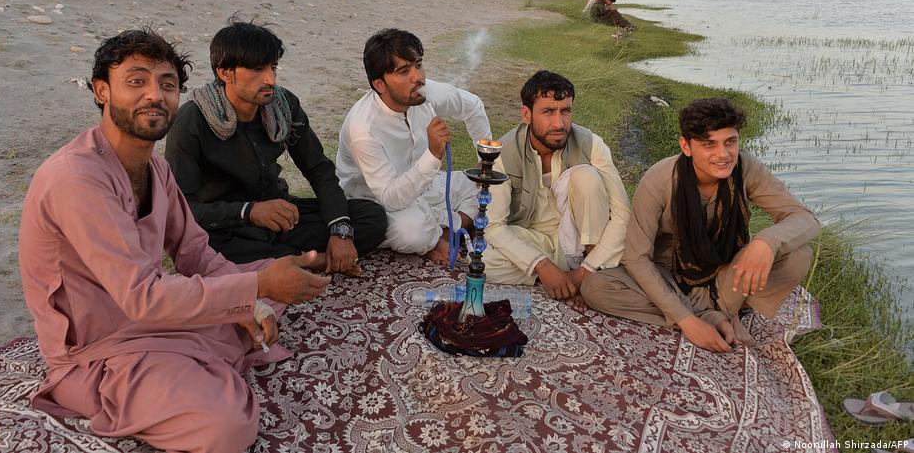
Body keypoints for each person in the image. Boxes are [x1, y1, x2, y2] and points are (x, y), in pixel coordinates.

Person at [19, 29, 333, 452]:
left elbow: (194, 251)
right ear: (101, 91)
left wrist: (252, 301)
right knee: (225, 427)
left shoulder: (156, 169)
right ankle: (186, 376)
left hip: (153, 320)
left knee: (263, 289)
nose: (155, 95)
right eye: (136, 81)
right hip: (99, 350)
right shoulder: (76, 178)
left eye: (167, 85)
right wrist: (256, 289)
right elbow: (143, 297)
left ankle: (197, 361)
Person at [580, 98, 820, 352]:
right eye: (709, 145)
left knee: (797, 255)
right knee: (596, 288)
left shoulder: (746, 168)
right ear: (686, 146)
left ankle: (724, 308)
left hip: (726, 276)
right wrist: (687, 321)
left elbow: (804, 218)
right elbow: (637, 258)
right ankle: (713, 316)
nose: (723, 154)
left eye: (730, 142)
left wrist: (766, 242)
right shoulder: (659, 179)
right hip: (670, 276)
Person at [165, 20, 387, 273]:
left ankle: (289, 261)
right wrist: (249, 211)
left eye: (272, 67)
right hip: (226, 228)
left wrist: (341, 232)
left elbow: (319, 170)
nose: (270, 79)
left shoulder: (284, 105)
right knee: (201, 252)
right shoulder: (191, 121)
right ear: (225, 72)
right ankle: (310, 261)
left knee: (371, 217)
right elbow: (181, 209)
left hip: (281, 217)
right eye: (257, 70)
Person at [336, 28, 492, 264]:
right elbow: (389, 197)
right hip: (377, 205)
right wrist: (432, 154)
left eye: (418, 65)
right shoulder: (363, 129)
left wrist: (484, 162)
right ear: (380, 84)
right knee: (412, 232)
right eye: (404, 71)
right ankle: (441, 234)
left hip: (426, 188)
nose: (417, 77)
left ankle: (446, 232)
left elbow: (473, 106)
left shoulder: (422, 92)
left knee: (489, 185)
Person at [483, 70, 631, 301]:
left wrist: (585, 270)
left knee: (586, 176)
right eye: (548, 112)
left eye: (566, 111)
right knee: (483, 259)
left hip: (582, 242)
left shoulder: (591, 145)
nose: (559, 123)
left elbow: (622, 215)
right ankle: (569, 276)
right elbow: (493, 226)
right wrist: (542, 266)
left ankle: (587, 273)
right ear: (526, 114)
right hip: (532, 239)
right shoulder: (504, 153)